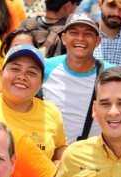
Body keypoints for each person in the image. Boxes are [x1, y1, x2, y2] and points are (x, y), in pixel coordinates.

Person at [0, 44, 67, 162]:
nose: (22, 76)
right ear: (1, 74)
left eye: (31, 72)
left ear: (41, 82)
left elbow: (60, 148)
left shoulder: (51, 111)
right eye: (15, 69)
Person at [43, 12, 113, 145]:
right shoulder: (45, 68)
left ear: (98, 41)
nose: (80, 38)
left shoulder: (111, 74)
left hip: (95, 158)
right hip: (53, 158)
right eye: (74, 32)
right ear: (63, 38)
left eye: (88, 34)